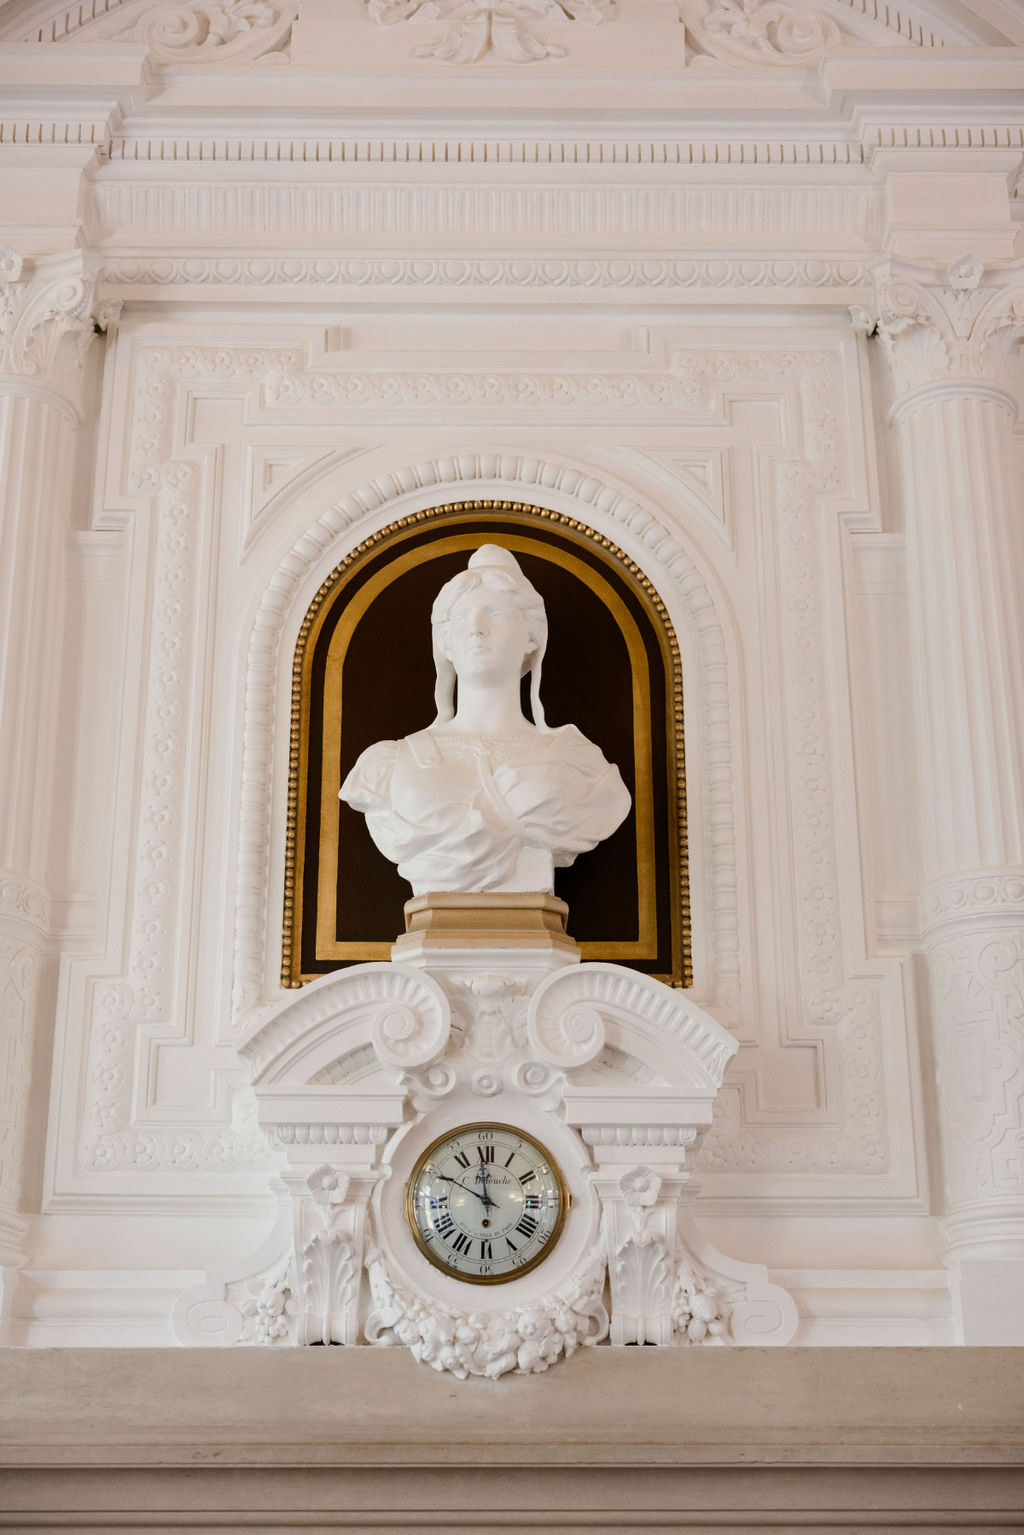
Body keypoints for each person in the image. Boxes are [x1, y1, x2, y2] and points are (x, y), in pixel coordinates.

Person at [340, 544, 631, 894]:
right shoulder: (388, 765)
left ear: (532, 638)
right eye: (462, 618)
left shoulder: (579, 766)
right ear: (445, 643)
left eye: (497, 614)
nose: (476, 629)